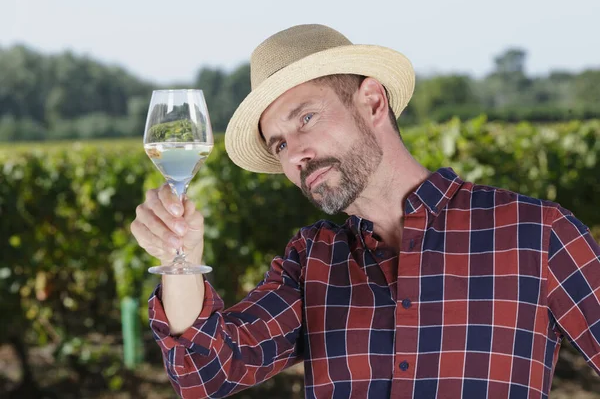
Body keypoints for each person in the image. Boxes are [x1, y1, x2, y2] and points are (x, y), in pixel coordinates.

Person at [130, 24, 600, 399]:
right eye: (279, 143)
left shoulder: (536, 233)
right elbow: (207, 373)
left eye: (306, 118)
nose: (295, 154)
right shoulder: (312, 260)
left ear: (372, 101)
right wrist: (181, 256)